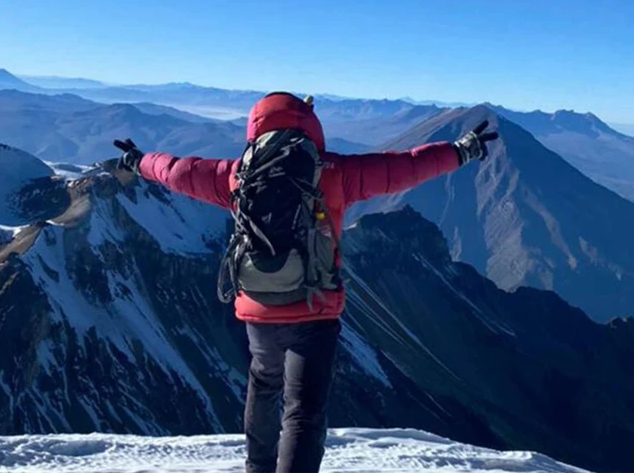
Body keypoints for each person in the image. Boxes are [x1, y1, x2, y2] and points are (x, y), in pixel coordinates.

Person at [114, 92, 499, 473]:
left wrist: (139, 159)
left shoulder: (236, 176)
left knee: (264, 386)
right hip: (315, 310)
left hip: (259, 308)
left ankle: (257, 468)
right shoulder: (334, 172)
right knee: (303, 409)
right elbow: (402, 167)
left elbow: (179, 171)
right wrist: (461, 151)